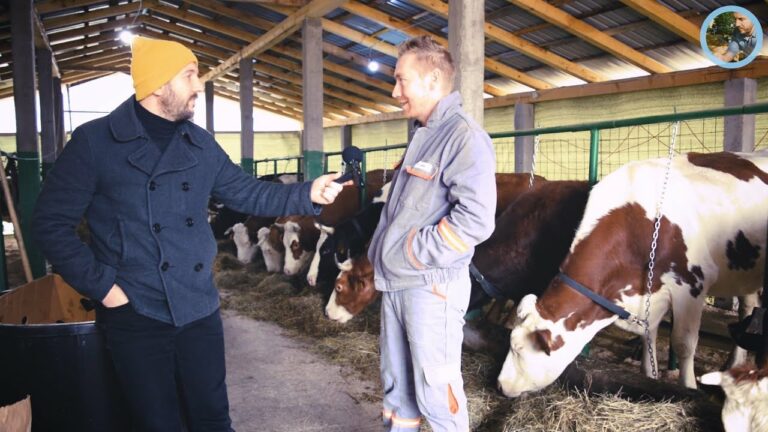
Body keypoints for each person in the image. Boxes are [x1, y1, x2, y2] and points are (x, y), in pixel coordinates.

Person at [32, 36, 346, 431]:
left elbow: (246, 191)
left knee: (212, 418)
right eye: (189, 75)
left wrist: (307, 193)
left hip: (198, 305)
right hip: (135, 309)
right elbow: (50, 223)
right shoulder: (95, 142)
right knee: (157, 422)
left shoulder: (199, 144)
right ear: (158, 84)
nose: (199, 85)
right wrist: (105, 288)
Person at [367, 35, 496, 431]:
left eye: (401, 80)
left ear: (433, 80)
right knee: (399, 390)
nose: (395, 92)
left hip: (430, 285)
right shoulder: (424, 134)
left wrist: (412, 251)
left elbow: (476, 219)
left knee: (437, 394)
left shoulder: (463, 136)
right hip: (399, 282)